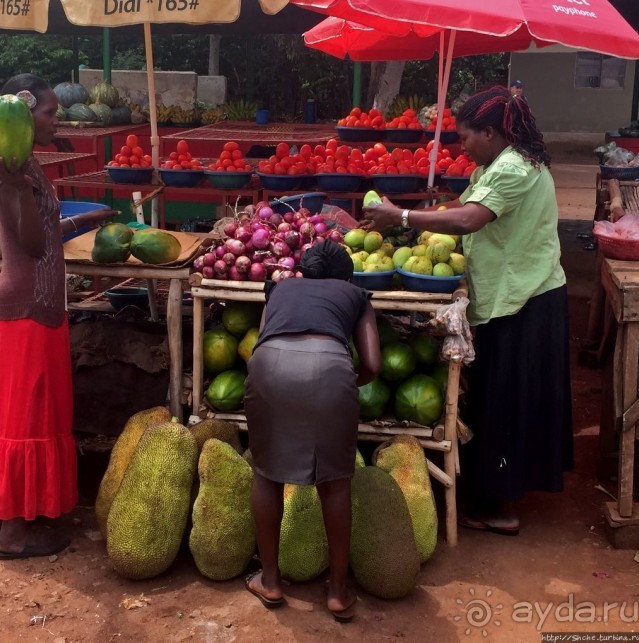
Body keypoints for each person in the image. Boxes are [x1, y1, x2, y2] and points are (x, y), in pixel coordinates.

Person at [361, 86, 573, 536]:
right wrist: (417, 215)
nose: (462, 145)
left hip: (524, 297)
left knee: (504, 400)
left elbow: (469, 220)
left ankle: (502, 508)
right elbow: (461, 206)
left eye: (467, 136)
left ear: (491, 132)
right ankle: (501, 487)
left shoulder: (514, 167)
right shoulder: (497, 163)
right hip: (511, 291)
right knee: (502, 397)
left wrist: (401, 218)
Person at [0, 73, 115, 560]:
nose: (58, 120)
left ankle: (2, 511)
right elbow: (32, 244)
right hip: (29, 304)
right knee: (27, 413)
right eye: (51, 113)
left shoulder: (26, 169)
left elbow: (45, 229)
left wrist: (83, 220)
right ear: (24, 116)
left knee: (16, 411)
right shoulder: (12, 171)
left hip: (35, 304)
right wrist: (16, 186)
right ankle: (14, 535)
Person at [243, 240, 381, 622]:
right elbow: (372, 362)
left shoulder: (280, 287)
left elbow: (264, 340)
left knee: (266, 474)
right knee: (335, 481)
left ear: (304, 271)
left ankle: (270, 582)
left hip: (268, 365)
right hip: (331, 369)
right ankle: (338, 593)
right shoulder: (355, 294)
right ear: (346, 277)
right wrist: (345, 382)